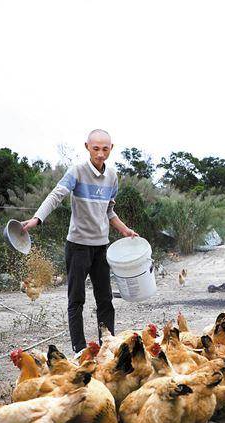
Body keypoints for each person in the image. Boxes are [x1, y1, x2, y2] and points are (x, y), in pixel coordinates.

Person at [21, 129, 138, 356]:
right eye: (96, 149)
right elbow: (56, 195)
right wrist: (37, 218)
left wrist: (124, 230)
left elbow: (109, 211)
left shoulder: (112, 177)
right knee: (76, 299)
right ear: (87, 147)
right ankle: (79, 349)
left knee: (105, 299)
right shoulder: (77, 172)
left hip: (100, 247)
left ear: (111, 149)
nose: (101, 154)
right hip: (77, 246)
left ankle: (108, 345)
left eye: (105, 149)